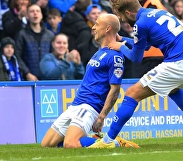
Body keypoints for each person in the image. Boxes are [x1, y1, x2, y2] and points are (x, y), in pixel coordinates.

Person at [89, 0, 183, 148]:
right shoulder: (158, 13)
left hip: (179, 63)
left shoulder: (140, 24)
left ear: (127, 12)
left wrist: (120, 46)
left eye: (121, 16)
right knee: (172, 89)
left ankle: (107, 141)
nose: (122, 20)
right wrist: (124, 40)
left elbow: (136, 57)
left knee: (132, 93)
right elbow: (145, 45)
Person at [41, 14, 138, 148]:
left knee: (70, 143)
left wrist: (101, 116)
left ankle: (115, 143)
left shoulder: (115, 56)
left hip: (90, 106)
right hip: (75, 104)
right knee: (47, 144)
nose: (93, 27)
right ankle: (95, 140)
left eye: (97, 24)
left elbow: (115, 90)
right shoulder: (99, 51)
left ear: (108, 28)